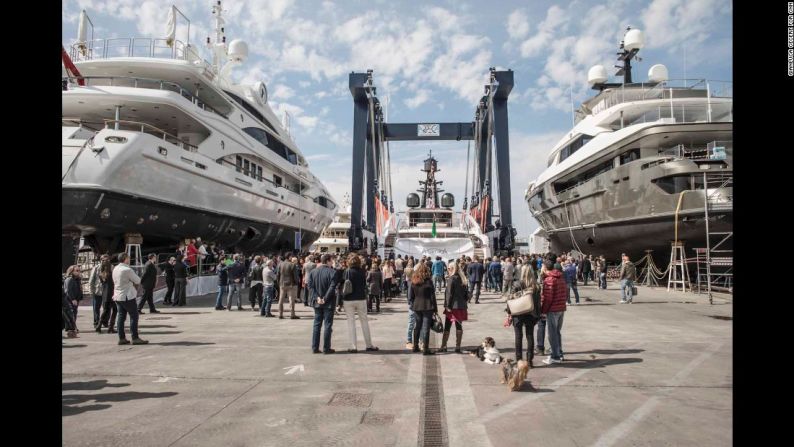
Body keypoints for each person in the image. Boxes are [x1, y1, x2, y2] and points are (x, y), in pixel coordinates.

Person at [506, 264, 542, 366]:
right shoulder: (536, 286)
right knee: (530, 336)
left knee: (518, 336)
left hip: (518, 313)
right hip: (530, 313)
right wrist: (538, 314)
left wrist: (509, 313)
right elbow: (538, 302)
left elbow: (510, 299)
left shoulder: (517, 284)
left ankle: (519, 360)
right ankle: (529, 360)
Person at [341, 255, 379, 353]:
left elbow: (342, 283)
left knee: (351, 322)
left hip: (348, 299)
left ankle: (353, 346)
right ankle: (369, 345)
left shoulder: (346, 272)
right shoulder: (362, 272)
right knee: (364, 322)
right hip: (361, 298)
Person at [112, 253, 148, 345]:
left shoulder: (115, 268)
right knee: (134, 316)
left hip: (117, 295)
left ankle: (121, 337)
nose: (129, 259)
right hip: (127, 296)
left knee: (121, 317)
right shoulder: (127, 270)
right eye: (128, 258)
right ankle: (135, 337)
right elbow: (138, 280)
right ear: (125, 259)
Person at [308, 254, 338, 354]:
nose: (332, 262)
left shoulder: (313, 272)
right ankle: (326, 348)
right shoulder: (332, 272)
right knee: (327, 325)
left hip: (317, 302)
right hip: (328, 302)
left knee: (317, 325)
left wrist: (317, 297)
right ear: (328, 261)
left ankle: (314, 347)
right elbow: (332, 287)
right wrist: (325, 298)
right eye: (332, 261)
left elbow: (311, 287)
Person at [541, 260, 567, 364]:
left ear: (545, 268)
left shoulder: (549, 280)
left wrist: (543, 311)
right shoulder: (561, 278)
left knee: (552, 334)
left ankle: (555, 356)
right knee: (557, 332)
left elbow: (548, 298)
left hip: (553, 309)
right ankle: (559, 353)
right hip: (561, 308)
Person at [409, 263, 438, 355]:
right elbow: (432, 296)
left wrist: (413, 304)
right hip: (427, 306)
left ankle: (415, 346)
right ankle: (425, 348)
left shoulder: (413, 281)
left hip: (417, 306)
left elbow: (410, 296)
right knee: (426, 328)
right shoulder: (428, 282)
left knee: (417, 326)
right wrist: (435, 309)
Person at [440, 262, 468, 353]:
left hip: (452, 307)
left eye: (448, 268)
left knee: (447, 326)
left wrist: (447, 306)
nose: (447, 270)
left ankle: (444, 346)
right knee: (459, 326)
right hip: (461, 306)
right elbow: (466, 294)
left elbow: (449, 294)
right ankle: (458, 347)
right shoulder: (462, 278)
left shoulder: (452, 279)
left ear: (452, 269)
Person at [88, 254, 110, 332]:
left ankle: (105, 321)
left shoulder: (110, 267)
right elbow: (91, 280)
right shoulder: (96, 268)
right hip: (98, 291)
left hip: (107, 292)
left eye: (106, 260)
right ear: (100, 260)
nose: (104, 261)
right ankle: (96, 322)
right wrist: (91, 291)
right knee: (96, 308)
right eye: (103, 260)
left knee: (107, 308)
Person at [99, 258, 118, 333]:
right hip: (111, 294)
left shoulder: (101, 274)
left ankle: (99, 325)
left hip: (105, 294)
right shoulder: (111, 274)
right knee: (115, 310)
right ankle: (111, 327)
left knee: (105, 310)